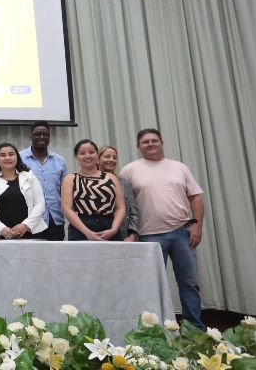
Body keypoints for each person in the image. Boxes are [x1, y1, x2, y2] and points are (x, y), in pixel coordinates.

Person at [120, 128, 206, 330]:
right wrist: (130, 233)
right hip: (148, 236)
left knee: (189, 284)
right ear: (138, 146)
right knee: (149, 287)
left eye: (154, 140)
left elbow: (196, 197)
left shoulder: (179, 167)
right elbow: (123, 205)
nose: (150, 144)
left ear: (162, 143)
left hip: (181, 233)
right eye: (146, 142)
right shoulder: (129, 170)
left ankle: (195, 330)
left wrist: (197, 225)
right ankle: (152, 330)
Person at [60, 139, 126, 241]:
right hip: (80, 229)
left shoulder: (111, 177)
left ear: (97, 155)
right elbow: (67, 209)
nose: (87, 156)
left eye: (91, 152)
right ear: (76, 157)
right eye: (82, 153)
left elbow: (120, 207)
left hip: (110, 228)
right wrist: (87, 232)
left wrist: (114, 229)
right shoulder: (70, 178)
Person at [0, 142, 47, 239]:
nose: (7, 158)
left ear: (17, 157)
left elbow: (40, 204)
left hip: (30, 233)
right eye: (2, 155)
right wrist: (1, 228)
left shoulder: (29, 176)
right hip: (1, 235)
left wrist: (25, 225)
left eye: (11, 154)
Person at [20, 121, 68, 241]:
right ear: (31, 136)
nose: (42, 137)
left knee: (56, 258)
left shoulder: (60, 161)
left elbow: (65, 191)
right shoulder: (19, 159)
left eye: (45, 134)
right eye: (37, 134)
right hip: (29, 221)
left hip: (55, 220)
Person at [97, 146, 141, 240]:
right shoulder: (87, 182)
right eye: (107, 156)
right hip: (98, 234)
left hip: (123, 235)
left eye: (114, 157)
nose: (111, 160)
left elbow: (134, 211)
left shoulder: (124, 183)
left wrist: (133, 234)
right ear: (97, 159)